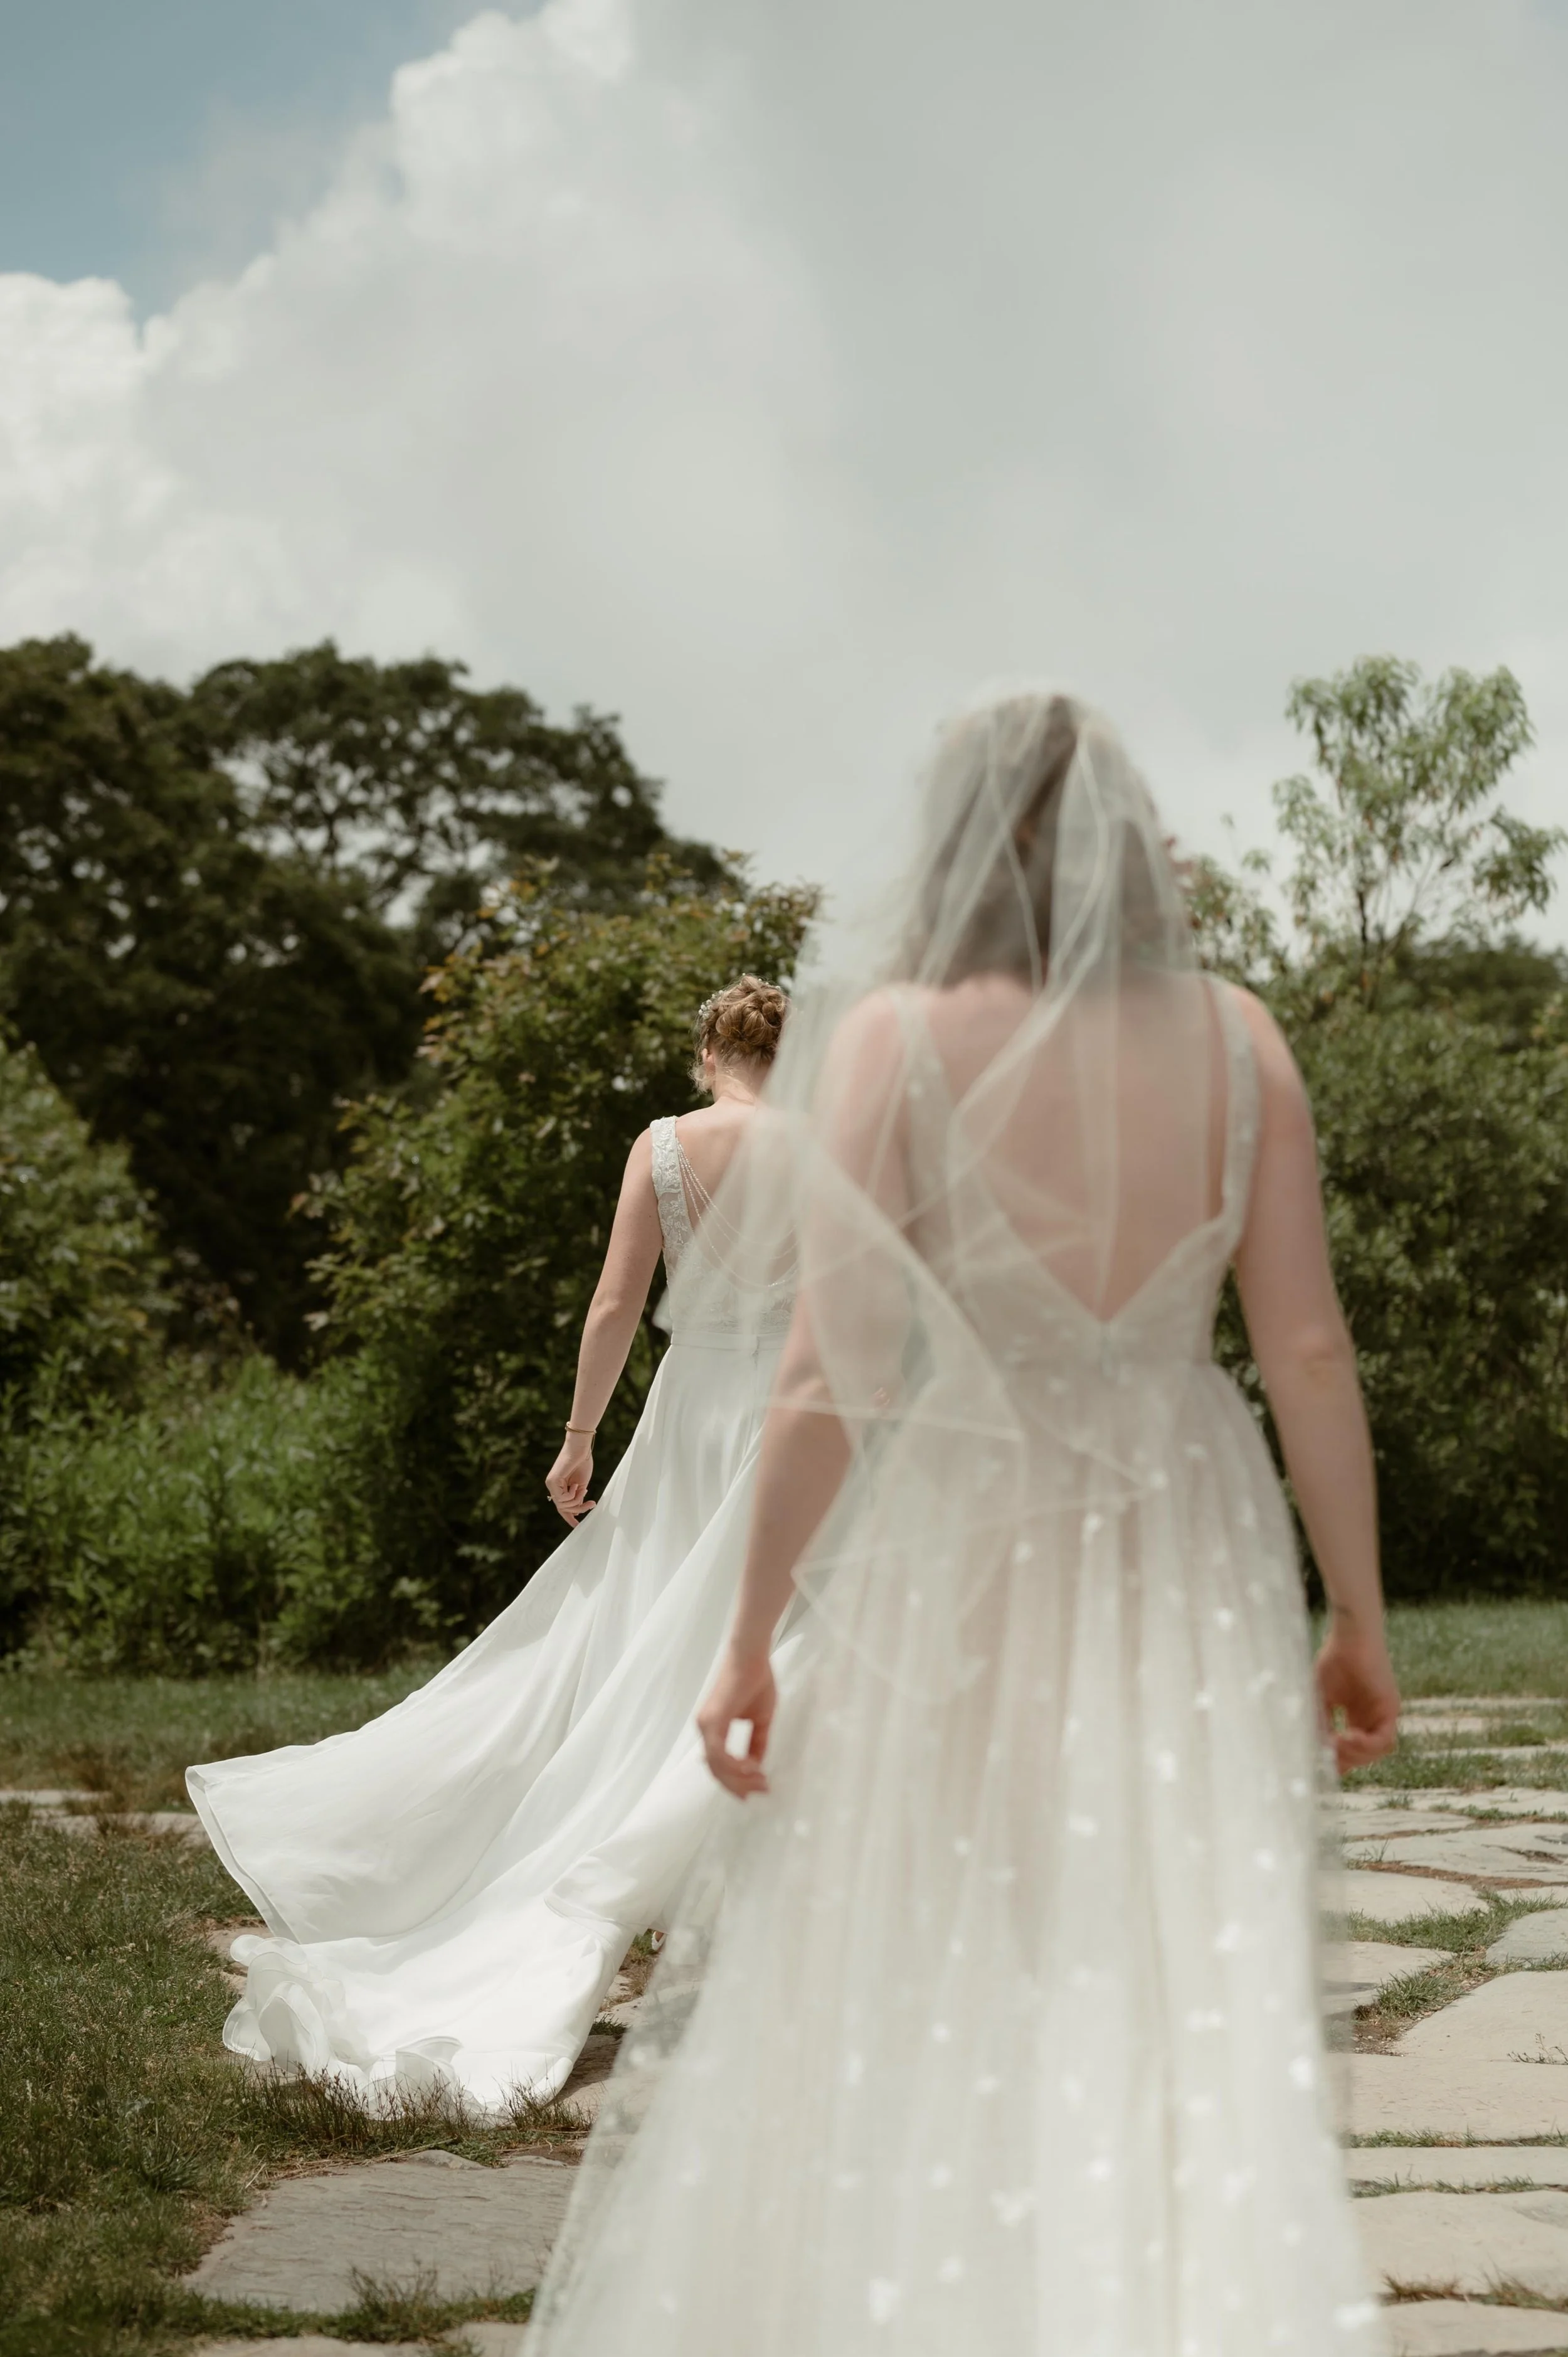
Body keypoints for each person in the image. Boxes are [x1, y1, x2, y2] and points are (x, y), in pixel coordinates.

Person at [529, 691, 1401, 2355]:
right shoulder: (1238, 1039)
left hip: (965, 1526)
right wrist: (1353, 1611)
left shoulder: (894, 1043)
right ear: (1126, 845)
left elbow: (831, 1366)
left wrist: (746, 1633)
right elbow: (1301, 1345)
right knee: (1165, 1930)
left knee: (957, 1916)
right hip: (1183, 1526)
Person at [187, 976, 798, 2112]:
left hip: (690, 1418)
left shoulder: (663, 1147)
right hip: (794, 1420)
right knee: (774, 1647)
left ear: (706, 1051)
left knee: (634, 1649)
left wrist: (579, 1438)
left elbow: (616, 1305)